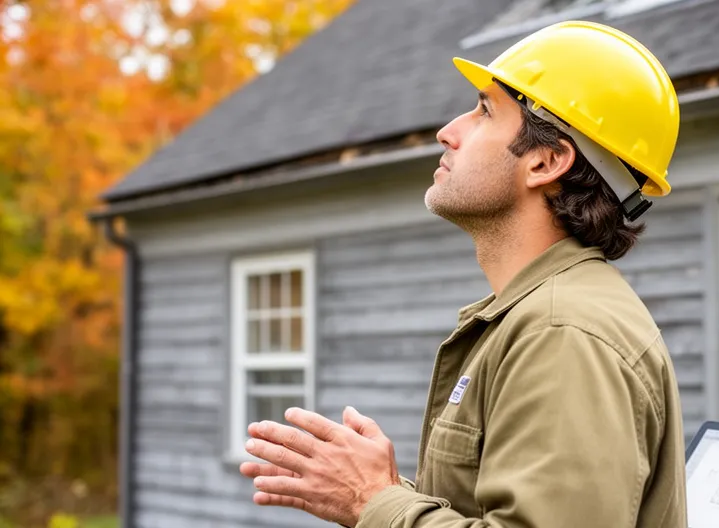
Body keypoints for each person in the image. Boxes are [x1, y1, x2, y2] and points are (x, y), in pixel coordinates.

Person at [239, 20, 687, 528]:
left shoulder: (563, 333)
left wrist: (372, 502)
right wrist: (382, 493)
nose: (448, 130)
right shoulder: (537, 316)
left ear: (546, 161)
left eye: (485, 110)